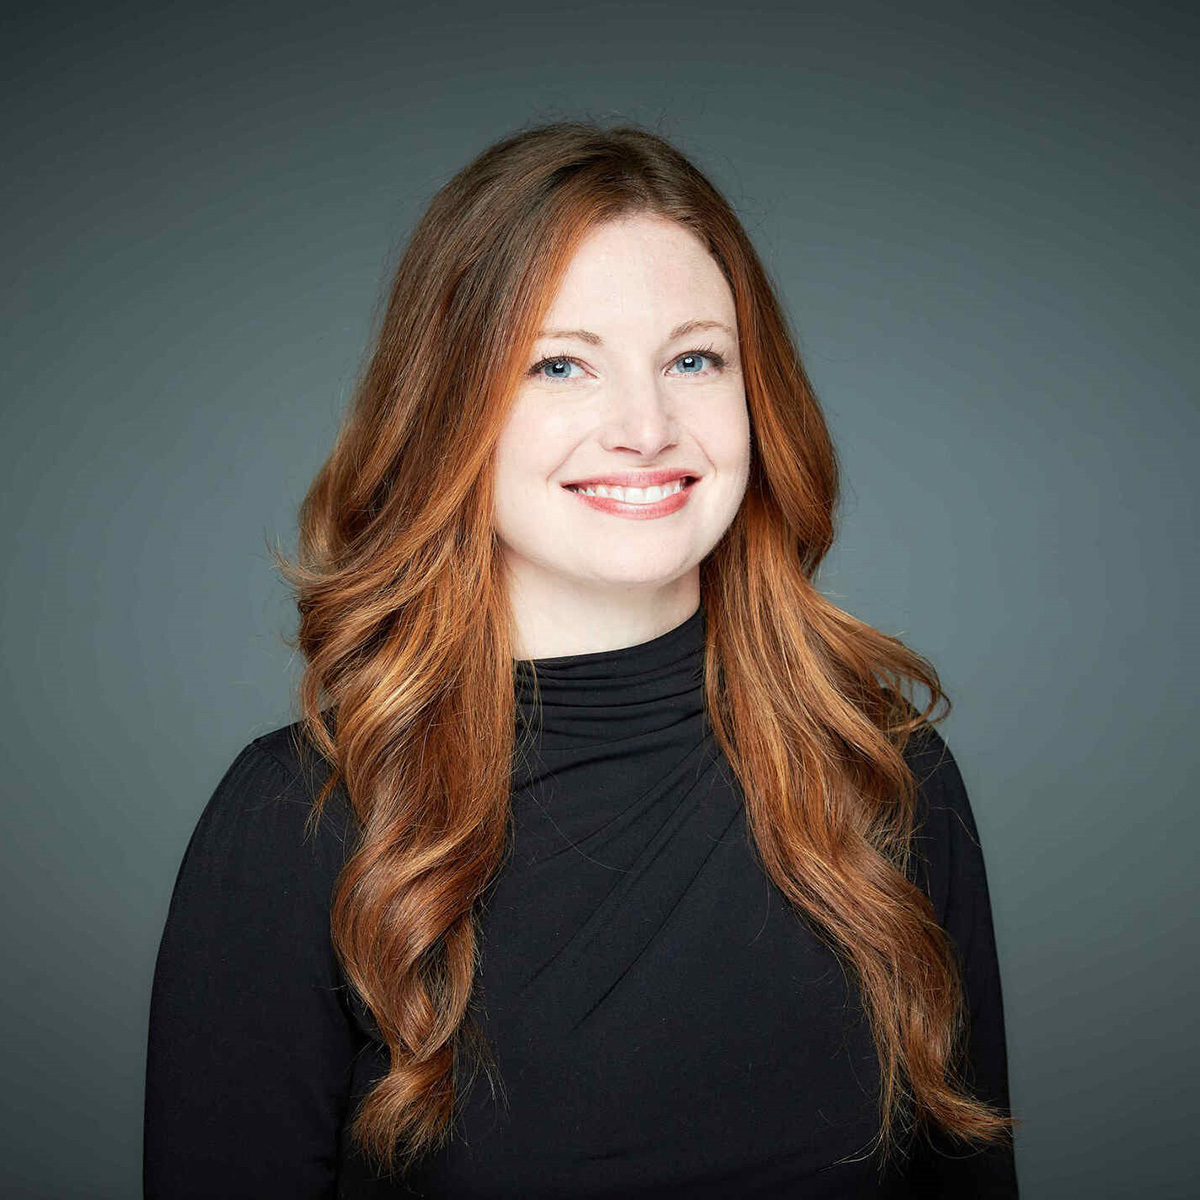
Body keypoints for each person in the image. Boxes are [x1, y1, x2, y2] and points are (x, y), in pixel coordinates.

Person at [144, 120, 1020, 1198]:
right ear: (451, 409)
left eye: (694, 358)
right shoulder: (299, 822)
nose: (645, 427)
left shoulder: (886, 775)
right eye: (560, 365)